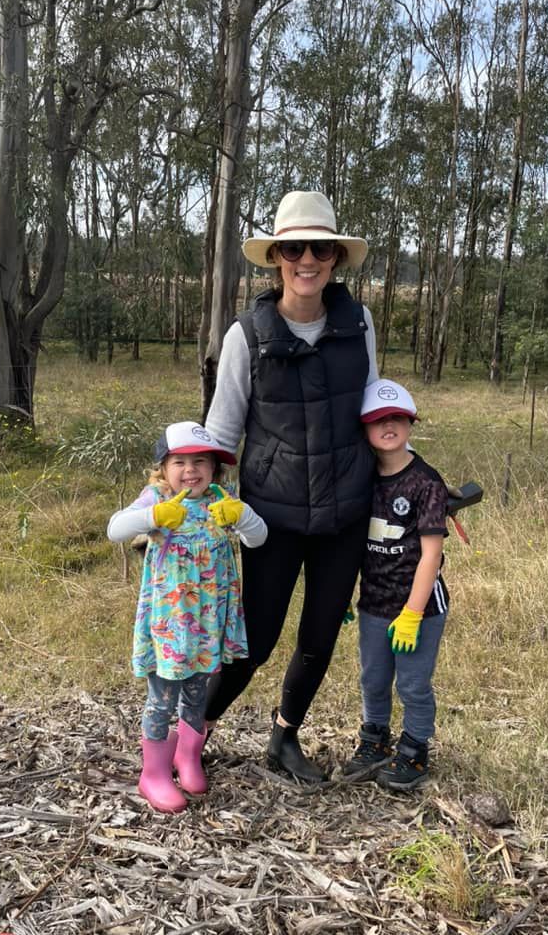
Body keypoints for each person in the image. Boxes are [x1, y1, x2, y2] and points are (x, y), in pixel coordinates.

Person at [204, 190, 379, 783]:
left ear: (336, 258)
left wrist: (414, 481)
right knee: (253, 640)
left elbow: (374, 412)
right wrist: (189, 505)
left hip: (345, 513)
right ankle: (192, 732)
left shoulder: (359, 324)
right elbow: (221, 434)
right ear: (276, 258)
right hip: (270, 519)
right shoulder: (246, 335)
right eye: (294, 249)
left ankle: (284, 737)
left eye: (320, 249)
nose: (307, 260)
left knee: (319, 636)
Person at [107, 421, 267, 813]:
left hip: (208, 621)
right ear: (163, 468)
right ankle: (153, 773)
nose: (190, 470)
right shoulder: (157, 498)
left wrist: (241, 515)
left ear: (214, 468)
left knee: (197, 694)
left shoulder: (221, 499)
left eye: (200, 462)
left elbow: (258, 537)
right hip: (170, 623)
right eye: (179, 462)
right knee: (162, 699)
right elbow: (115, 529)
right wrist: (154, 516)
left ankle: (188, 756)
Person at [344, 378, 449, 791]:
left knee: (412, 683)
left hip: (418, 606)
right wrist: (341, 595)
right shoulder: (361, 478)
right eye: (378, 420)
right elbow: (349, 542)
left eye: (397, 419)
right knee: (373, 678)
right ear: (365, 428)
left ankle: (415, 750)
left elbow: (431, 555)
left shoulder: (425, 482)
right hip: (374, 602)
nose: (388, 426)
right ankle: (374, 739)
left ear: (410, 424)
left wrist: (412, 613)